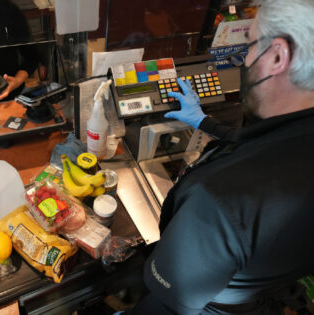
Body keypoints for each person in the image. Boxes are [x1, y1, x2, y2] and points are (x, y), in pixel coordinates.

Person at [130, 0, 314, 313]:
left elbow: (171, 298)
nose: (244, 60)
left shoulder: (219, 200)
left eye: (250, 45)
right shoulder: (297, 136)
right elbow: (267, 147)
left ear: (278, 56)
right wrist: (204, 122)